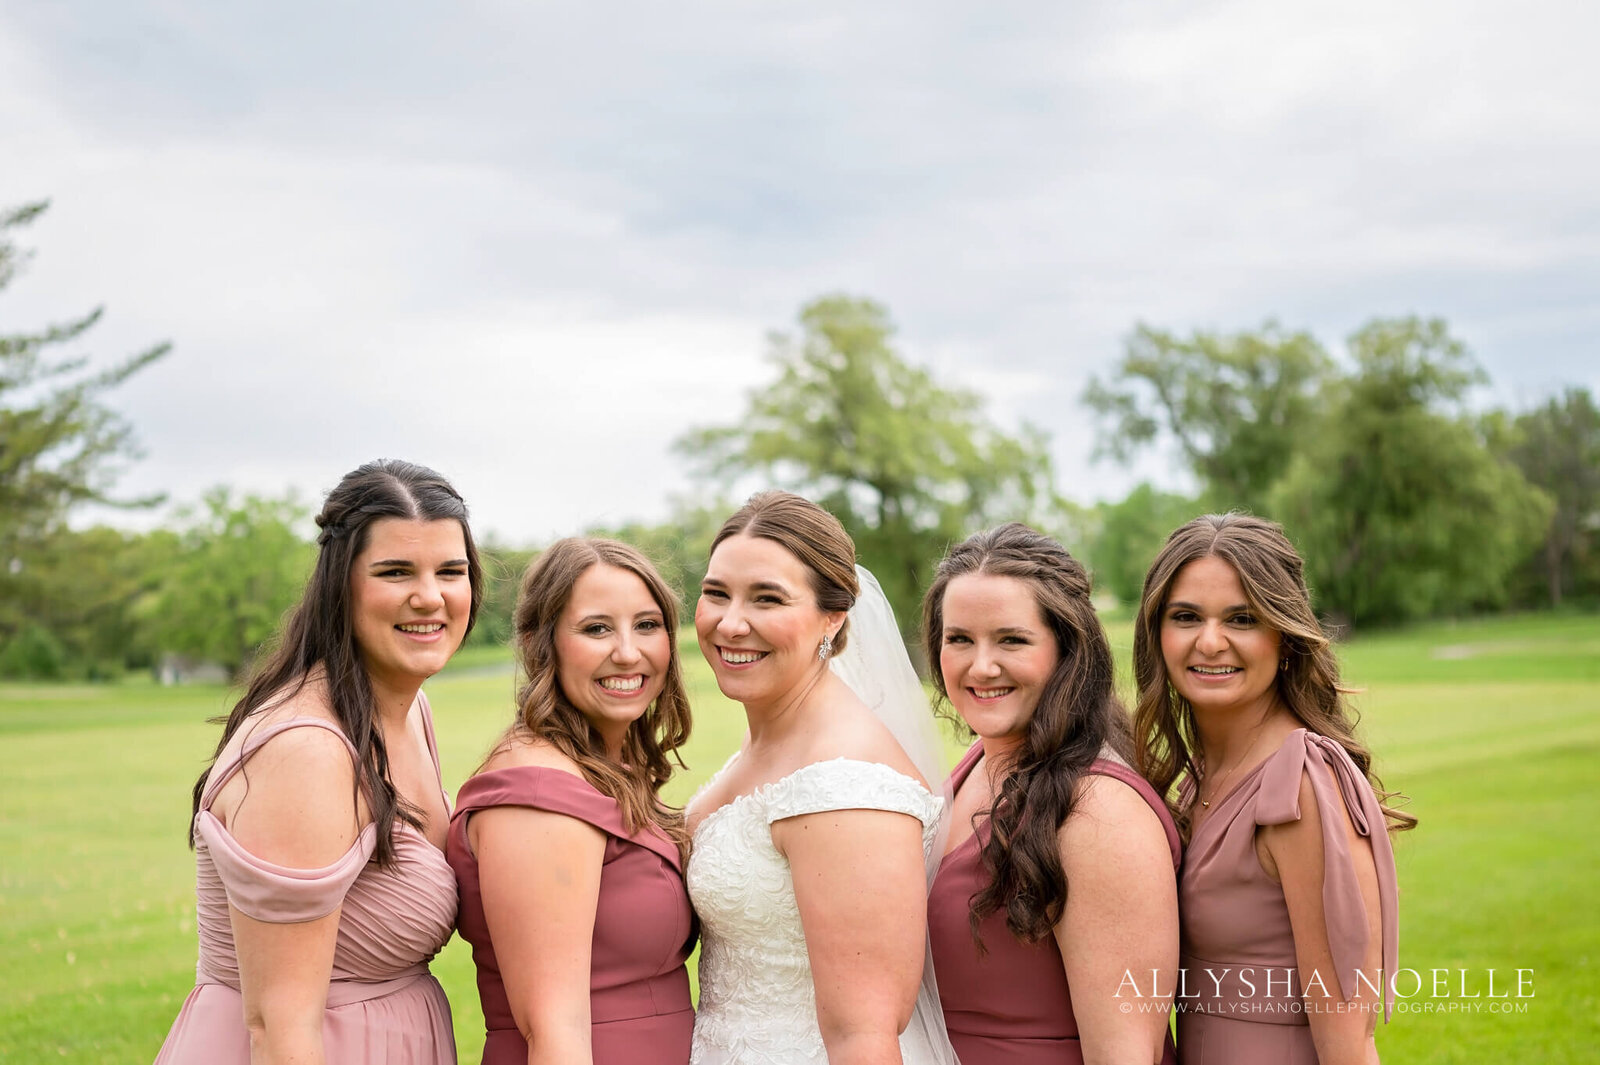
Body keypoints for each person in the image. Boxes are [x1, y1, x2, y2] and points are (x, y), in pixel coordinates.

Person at [155, 459, 482, 1065]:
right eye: (395, 571)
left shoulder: (409, 710)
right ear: (341, 583)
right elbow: (277, 1027)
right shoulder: (305, 748)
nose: (430, 596)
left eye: (450, 571)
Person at [686, 490, 956, 1065]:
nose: (731, 623)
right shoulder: (773, 738)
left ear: (832, 617)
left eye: (767, 599)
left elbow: (865, 1035)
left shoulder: (844, 783)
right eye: (716, 593)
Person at [1132, 513, 1412, 1065]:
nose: (1210, 642)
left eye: (1242, 618)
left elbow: (1350, 1042)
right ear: (1157, 633)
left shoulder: (1303, 784)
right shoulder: (1192, 783)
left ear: (1284, 638)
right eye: (1186, 616)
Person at [920, 522, 1181, 1065]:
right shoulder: (978, 765)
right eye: (959, 638)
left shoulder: (1099, 811)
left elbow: (1127, 1053)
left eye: (1011, 639)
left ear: (1067, 650)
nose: (981, 666)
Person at [447, 538, 696, 1065]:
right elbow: (554, 1031)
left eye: (647, 625)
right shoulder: (536, 796)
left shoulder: (607, 766)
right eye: (596, 628)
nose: (628, 652)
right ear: (542, 642)